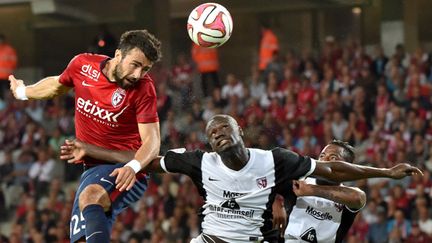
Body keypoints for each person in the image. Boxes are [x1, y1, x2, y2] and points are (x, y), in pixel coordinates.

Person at [60, 114, 422, 243]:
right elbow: (145, 160)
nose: (217, 132)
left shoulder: (278, 161)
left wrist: (386, 173)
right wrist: (92, 151)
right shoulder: (200, 161)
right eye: (211, 130)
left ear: (240, 131)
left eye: (224, 126)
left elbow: (336, 174)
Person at [9, 29, 162, 243]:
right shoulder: (83, 65)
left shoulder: (144, 89)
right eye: (135, 65)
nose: (138, 75)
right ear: (118, 55)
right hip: (93, 169)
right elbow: (56, 85)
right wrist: (24, 92)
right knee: (82, 239)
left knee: (91, 196)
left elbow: (153, 142)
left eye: (145, 69)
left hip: (127, 169)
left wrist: (133, 167)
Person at [282, 140, 367, 243]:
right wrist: (277, 201)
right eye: (322, 156)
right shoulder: (300, 182)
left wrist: (312, 190)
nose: (324, 161)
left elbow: (358, 198)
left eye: (333, 158)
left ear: (346, 168)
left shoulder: (347, 196)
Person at [0, 33, 17, 99]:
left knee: (8, 92)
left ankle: (7, 105)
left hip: (7, 75)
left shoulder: (9, 50)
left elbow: (14, 62)